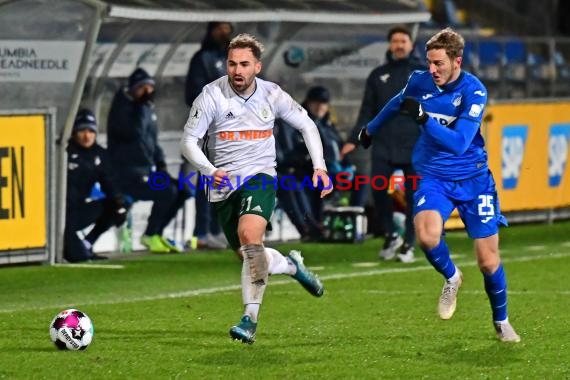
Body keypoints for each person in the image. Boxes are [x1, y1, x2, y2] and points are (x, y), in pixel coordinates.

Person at [358, 28, 520, 342]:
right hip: (434, 177)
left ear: (457, 61)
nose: (432, 70)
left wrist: (424, 120)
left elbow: (459, 142)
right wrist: (371, 129)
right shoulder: (421, 80)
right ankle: (451, 277)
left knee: (488, 261)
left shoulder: (474, 91)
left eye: (439, 64)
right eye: (430, 62)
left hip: (474, 180)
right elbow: (398, 101)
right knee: (426, 235)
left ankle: (501, 320)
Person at [181, 33, 333, 344]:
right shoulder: (211, 95)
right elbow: (188, 142)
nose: (237, 70)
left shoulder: (272, 95)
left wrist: (320, 167)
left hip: (260, 177)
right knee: (251, 257)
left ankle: (249, 319)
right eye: (232, 64)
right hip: (223, 184)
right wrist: (210, 171)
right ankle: (292, 266)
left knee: (250, 238)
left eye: (244, 64)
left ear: (258, 67)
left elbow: (306, 124)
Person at [342, 25, 425, 263]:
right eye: (395, 41)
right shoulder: (378, 75)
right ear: (390, 45)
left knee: (413, 195)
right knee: (377, 189)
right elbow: (366, 110)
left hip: (415, 144)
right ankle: (390, 234)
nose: (399, 45)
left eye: (403, 41)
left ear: (411, 44)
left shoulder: (422, 74)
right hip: (384, 143)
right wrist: (353, 140)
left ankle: (409, 242)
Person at [107, 68, 190, 253]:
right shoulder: (123, 108)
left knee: (183, 190)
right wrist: (141, 107)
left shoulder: (145, 108)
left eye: (150, 87)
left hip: (146, 172)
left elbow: (152, 141)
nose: (147, 92)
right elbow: (134, 133)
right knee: (167, 191)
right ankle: (149, 235)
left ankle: (156, 233)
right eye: (142, 87)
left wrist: (161, 165)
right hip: (126, 174)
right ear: (133, 88)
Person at [184, 21, 234, 249]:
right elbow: (192, 94)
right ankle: (202, 232)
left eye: (227, 28)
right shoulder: (202, 59)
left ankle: (217, 229)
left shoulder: (230, 60)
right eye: (219, 28)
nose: (223, 33)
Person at [64, 109, 128, 263]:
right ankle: (76, 246)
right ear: (74, 132)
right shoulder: (64, 151)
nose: (87, 136)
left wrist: (119, 203)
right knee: (77, 257)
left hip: (80, 209)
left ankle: (87, 243)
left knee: (118, 206)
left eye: (91, 131)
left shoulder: (100, 154)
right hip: (61, 214)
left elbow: (109, 182)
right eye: (82, 130)